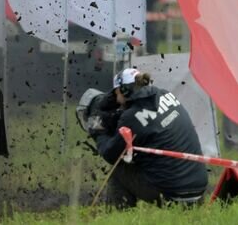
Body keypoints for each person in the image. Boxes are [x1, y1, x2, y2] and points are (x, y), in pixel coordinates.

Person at [88, 68, 209, 207]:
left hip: (174, 194)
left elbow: (110, 154)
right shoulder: (165, 94)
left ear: (124, 90)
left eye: (115, 92)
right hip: (199, 186)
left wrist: (98, 132)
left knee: (118, 170)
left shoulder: (132, 117)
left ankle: (119, 215)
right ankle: (194, 206)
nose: (114, 96)